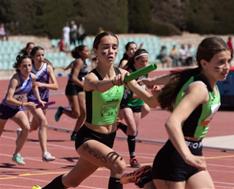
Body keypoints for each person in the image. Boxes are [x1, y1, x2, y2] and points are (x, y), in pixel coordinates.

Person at [38, 31, 158, 189]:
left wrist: (157, 95)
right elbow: (98, 87)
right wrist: (113, 82)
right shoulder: (90, 78)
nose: (111, 51)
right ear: (96, 50)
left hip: (109, 138)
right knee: (118, 165)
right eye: (105, 47)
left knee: (71, 180)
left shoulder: (124, 74)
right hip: (88, 138)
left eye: (114, 47)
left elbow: (151, 102)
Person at [121, 36, 232, 189]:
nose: (227, 67)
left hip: (195, 150)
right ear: (204, 63)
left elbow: (170, 81)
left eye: (228, 61)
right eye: (221, 62)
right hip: (174, 158)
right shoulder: (199, 89)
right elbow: (172, 123)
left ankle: (147, 178)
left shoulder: (193, 78)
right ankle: (147, 179)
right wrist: (187, 156)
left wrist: (152, 82)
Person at [0, 54, 43, 165]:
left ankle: (16, 154)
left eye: (29, 65)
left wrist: (39, 100)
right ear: (19, 67)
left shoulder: (32, 77)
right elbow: (9, 98)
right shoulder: (15, 79)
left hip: (17, 108)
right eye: (24, 66)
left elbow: (34, 87)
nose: (27, 68)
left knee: (26, 128)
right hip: (5, 108)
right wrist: (25, 103)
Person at [117, 48, 151, 168]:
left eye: (147, 61)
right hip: (125, 102)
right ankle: (133, 157)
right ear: (135, 61)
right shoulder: (127, 71)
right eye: (142, 61)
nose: (145, 64)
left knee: (133, 132)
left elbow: (144, 87)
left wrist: (151, 86)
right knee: (132, 128)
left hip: (137, 103)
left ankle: (119, 125)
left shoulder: (145, 71)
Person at [27, 46, 58, 161]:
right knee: (43, 122)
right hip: (32, 99)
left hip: (44, 100)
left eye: (43, 55)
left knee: (34, 126)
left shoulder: (48, 68)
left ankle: (23, 130)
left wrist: (43, 84)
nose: (41, 58)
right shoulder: (29, 69)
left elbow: (56, 86)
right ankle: (45, 153)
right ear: (33, 57)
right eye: (38, 55)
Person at [54, 45, 90, 141]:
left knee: (84, 113)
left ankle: (75, 133)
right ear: (80, 52)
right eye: (86, 51)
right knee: (76, 114)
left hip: (80, 88)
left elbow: (71, 66)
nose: (88, 52)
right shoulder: (79, 61)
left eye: (88, 50)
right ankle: (62, 110)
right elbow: (73, 78)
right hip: (72, 87)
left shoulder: (83, 61)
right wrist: (84, 85)